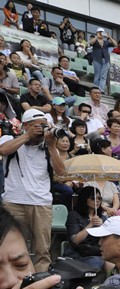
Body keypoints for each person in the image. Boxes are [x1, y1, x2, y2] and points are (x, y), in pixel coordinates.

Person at [0, 109, 65, 271]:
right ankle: (14, 281)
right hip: (13, 201)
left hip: (41, 202)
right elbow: (3, 150)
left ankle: (40, 284)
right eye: (37, 126)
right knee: (11, 246)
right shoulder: (9, 139)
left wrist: (51, 146)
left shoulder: (48, 147)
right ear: (25, 125)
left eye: (44, 126)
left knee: (42, 250)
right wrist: (27, 136)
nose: (41, 129)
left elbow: (61, 172)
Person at [65, 186, 105, 269]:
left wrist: (103, 227)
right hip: (78, 254)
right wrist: (90, 225)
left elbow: (109, 240)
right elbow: (75, 240)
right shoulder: (74, 215)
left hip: (97, 252)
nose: (97, 201)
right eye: (93, 198)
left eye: (99, 198)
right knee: (96, 261)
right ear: (85, 199)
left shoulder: (102, 218)